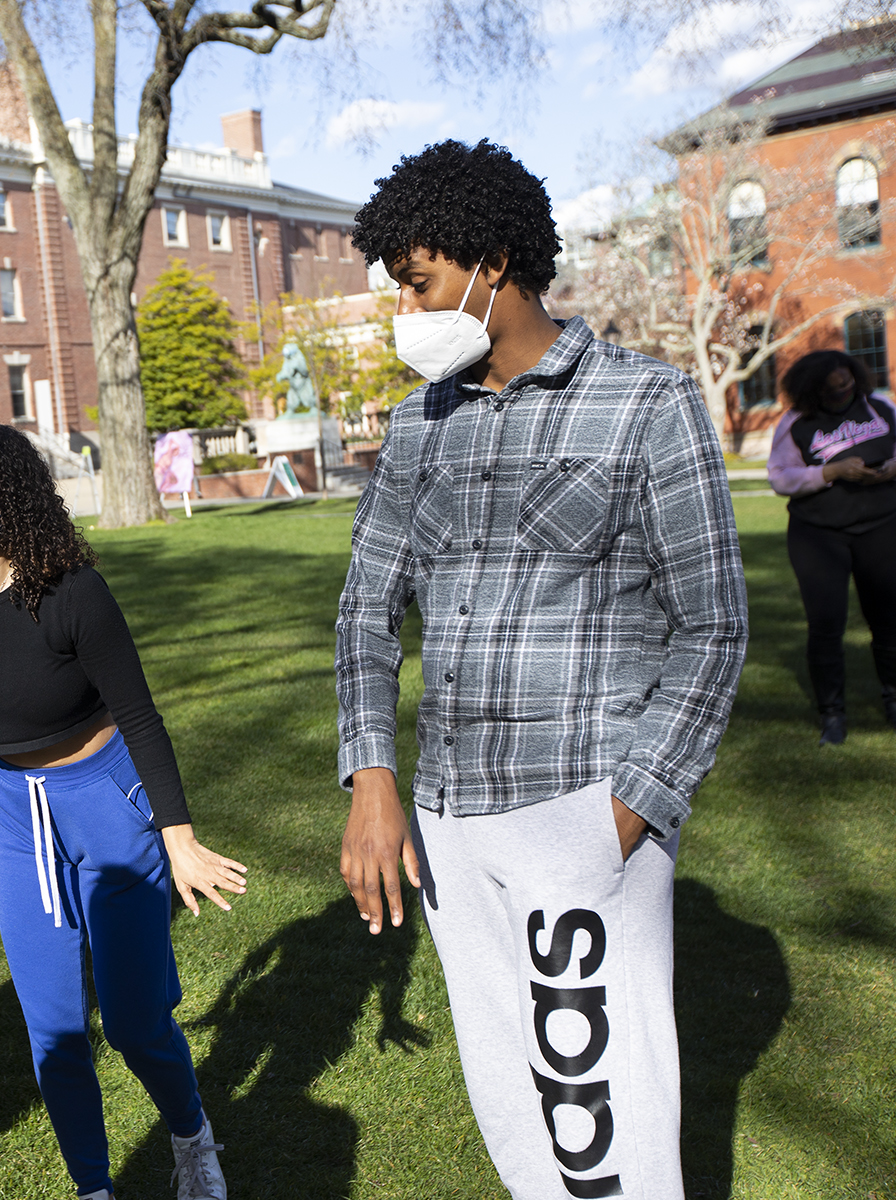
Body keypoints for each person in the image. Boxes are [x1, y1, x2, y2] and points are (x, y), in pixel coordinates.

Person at [335, 140, 748, 1200]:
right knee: (514, 1099)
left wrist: (629, 809)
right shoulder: (417, 425)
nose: (406, 308)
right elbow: (366, 615)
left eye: (417, 281)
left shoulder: (645, 405)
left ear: (494, 262)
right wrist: (373, 778)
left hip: (582, 806)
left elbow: (713, 627)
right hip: (447, 821)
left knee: (599, 1107)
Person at [0, 423, 244, 1200]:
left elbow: (139, 716)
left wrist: (180, 840)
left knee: (136, 1023)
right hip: (13, 812)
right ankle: (93, 1189)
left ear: (11, 496)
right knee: (57, 1032)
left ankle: (193, 1138)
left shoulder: (70, 591)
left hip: (105, 796)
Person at [766, 349, 896, 743]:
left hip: (882, 526)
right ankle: (833, 715)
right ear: (813, 390)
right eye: (834, 388)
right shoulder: (796, 423)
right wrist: (830, 471)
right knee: (826, 625)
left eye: (848, 382)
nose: (844, 391)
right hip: (819, 535)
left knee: (889, 620)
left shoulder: (880, 406)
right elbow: (780, 477)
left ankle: (893, 700)